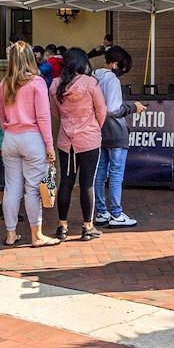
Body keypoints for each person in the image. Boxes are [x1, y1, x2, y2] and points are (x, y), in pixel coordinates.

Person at [0, 40, 59, 248]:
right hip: (32, 139)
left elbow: (1, 117)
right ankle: (36, 235)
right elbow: (44, 117)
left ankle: (11, 234)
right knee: (32, 189)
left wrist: (11, 129)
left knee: (12, 188)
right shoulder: (37, 83)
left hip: (11, 138)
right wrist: (49, 146)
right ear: (31, 58)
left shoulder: (3, 85)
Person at [50, 47, 106, 241]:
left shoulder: (56, 85)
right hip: (89, 139)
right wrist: (94, 127)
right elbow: (101, 111)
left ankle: (62, 226)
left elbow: (56, 113)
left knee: (66, 182)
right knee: (87, 183)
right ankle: (87, 227)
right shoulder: (90, 83)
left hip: (66, 141)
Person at [91, 46, 137, 228]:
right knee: (116, 174)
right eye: (123, 68)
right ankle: (116, 214)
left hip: (99, 131)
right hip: (117, 133)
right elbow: (114, 109)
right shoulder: (112, 80)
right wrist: (133, 107)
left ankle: (101, 212)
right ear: (116, 64)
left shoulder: (94, 76)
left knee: (100, 173)